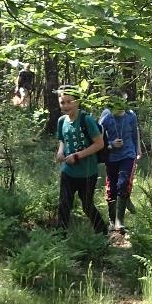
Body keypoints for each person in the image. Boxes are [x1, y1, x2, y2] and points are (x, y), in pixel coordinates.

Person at [55, 88, 109, 234]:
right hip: (68, 171)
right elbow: (62, 140)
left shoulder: (86, 120)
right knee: (64, 204)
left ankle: (102, 233)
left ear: (77, 102)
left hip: (87, 172)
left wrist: (77, 156)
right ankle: (60, 236)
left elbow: (99, 144)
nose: (65, 105)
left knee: (87, 205)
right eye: (62, 102)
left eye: (69, 102)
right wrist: (60, 151)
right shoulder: (61, 121)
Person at [99, 91, 140, 232]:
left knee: (123, 183)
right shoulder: (106, 116)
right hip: (111, 157)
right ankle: (112, 220)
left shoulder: (131, 115)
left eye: (121, 102)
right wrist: (110, 144)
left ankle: (119, 221)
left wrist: (137, 151)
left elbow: (135, 133)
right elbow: (99, 138)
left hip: (128, 154)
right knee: (112, 187)